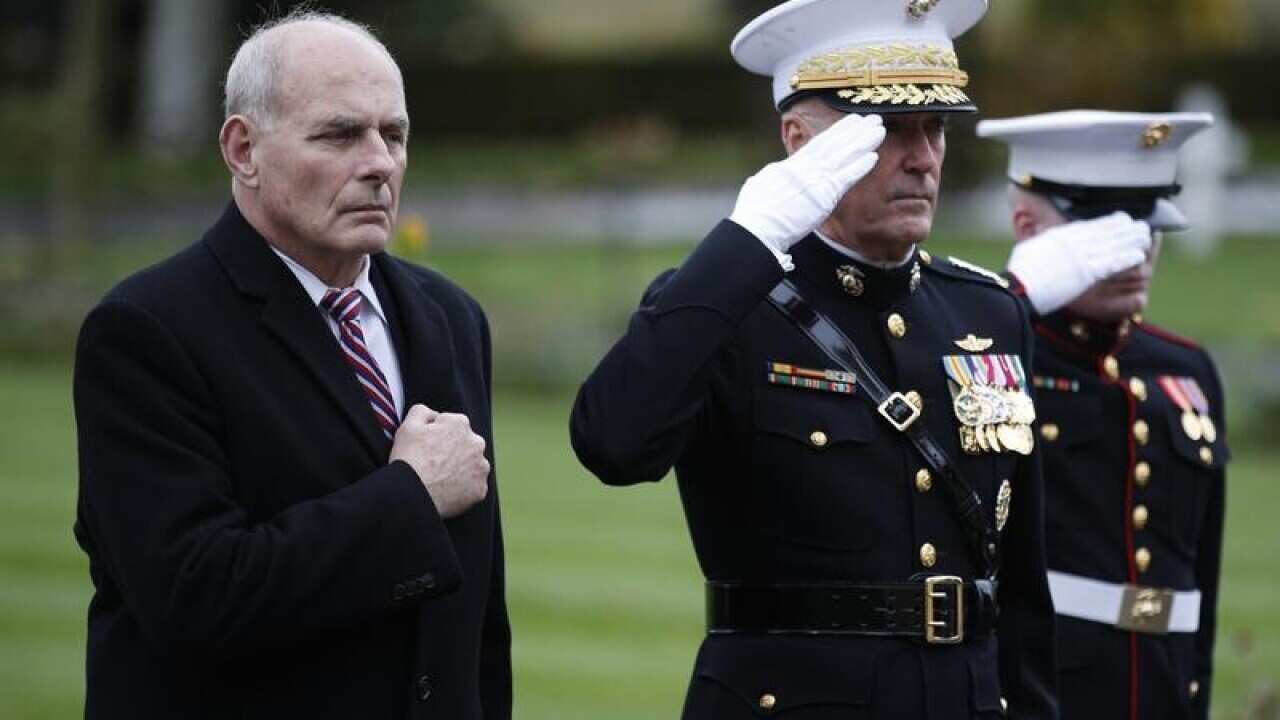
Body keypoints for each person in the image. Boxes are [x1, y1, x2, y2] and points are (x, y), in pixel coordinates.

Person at [570, 0, 1057, 716]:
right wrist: (746, 242)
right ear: (799, 140)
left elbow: (1019, 588)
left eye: (935, 128)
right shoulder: (725, 304)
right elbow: (612, 441)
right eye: (888, 130)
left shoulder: (987, 313)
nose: (921, 156)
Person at [72, 12, 510, 719]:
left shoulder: (451, 318)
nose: (378, 162)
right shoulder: (148, 330)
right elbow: (194, 596)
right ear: (244, 148)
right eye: (339, 134)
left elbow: (477, 618)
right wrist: (408, 496)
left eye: (393, 135)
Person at [979, 111, 1226, 720]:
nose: (1136, 250)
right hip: (1046, 685)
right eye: (1107, 231)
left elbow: (1203, 573)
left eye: (1147, 225)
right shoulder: (994, 358)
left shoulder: (1185, 370)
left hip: (1162, 684)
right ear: (1027, 227)